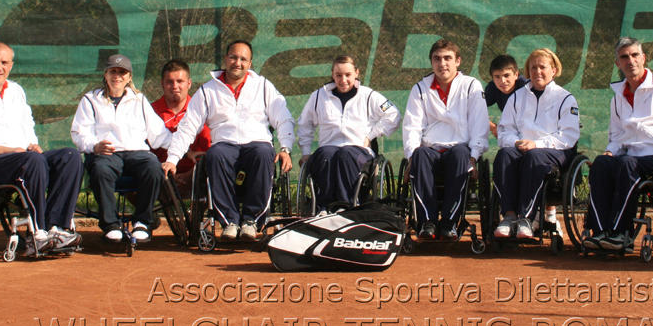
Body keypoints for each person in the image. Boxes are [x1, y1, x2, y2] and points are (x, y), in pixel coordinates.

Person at [0, 42, 81, 254]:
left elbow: (27, 123)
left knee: (70, 156)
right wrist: (3, 149)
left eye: (4, 62)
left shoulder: (16, 90)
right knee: (33, 161)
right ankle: (36, 235)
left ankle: (57, 228)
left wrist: (31, 142)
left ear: (11, 66)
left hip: (22, 157)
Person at [162, 41, 294, 241]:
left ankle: (251, 221)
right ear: (225, 59)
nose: (237, 63)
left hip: (256, 143)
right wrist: (173, 158)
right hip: (225, 145)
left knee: (264, 152)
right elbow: (188, 127)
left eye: (243, 59)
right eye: (233, 57)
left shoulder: (264, 86)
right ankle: (229, 222)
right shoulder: (207, 91)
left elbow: (283, 118)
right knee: (215, 154)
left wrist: (285, 148)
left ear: (250, 63)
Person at [583, 37, 653, 251]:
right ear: (618, 63)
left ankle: (621, 234)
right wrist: (609, 152)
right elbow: (617, 136)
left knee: (627, 164)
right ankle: (600, 232)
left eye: (635, 55)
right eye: (624, 57)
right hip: (630, 157)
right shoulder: (617, 97)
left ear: (643, 58)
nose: (630, 61)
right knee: (600, 163)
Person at [71, 54, 172, 243]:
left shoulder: (139, 100)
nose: (117, 76)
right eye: (113, 71)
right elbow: (79, 133)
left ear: (129, 76)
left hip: (137, 153)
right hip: (106, 154)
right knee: (100, 170)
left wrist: (181, 151)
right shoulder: (90, 100)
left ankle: (142, 222)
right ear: (106, 74)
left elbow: (159, 134)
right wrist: (94, 146)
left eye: (122, 72)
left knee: (153, 168)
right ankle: (111, 225)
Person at [402, 39, 490, 241]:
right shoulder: (420, 89)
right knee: (420, 154)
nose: (442, 63)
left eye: (447, 58)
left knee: (461, 154)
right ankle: (427, 222)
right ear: (431, 63)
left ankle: (450, 221)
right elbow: (412, 126)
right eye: (437, 59)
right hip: (430, 149)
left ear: (457, 61)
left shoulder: (471, 86)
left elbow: (479, 124)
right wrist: (410, 158)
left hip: (459, 148)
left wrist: (474, 157)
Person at [493, 49, 580, 239]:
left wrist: (537, 144)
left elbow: (569, 136)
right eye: (533, 68)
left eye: (542, 67)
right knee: (504, 155)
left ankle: (526, 218)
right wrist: (515, 142)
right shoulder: (516, 97)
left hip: (554, 152)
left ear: (553, 70)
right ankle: (508, 216)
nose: (537, 72)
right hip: (522, 149)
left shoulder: (566, 98)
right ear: (527, 71)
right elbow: (504, 129)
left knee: (534, 156)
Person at [296, 55, 401, 211]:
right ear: (332, 75)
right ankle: (323, 207)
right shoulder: (318, 96)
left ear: (356, 73)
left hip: (358, 150)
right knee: (326, 154)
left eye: (348, 75)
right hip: (328, 149)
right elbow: (305, 124)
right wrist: (305, 152)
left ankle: (348, 204)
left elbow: (393, 114)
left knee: (345, 154)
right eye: (338, 75)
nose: (343, 80)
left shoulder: (369, 95)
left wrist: (371, 135)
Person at [150, 59, 212, 199]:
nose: (174, 86)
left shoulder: (202, 111)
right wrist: (163, 174)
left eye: (180, 81)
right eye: (169, 82)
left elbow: (208, 152)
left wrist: (189, 177)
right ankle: (148, 218)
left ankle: (198, 218)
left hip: (195, 176)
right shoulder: (150, 111)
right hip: (161, 176)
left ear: (189, 83)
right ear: (162, 84)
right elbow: (144, 152)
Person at [484, 55, 528, 138]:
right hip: (511, 133)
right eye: (497, 77)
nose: (503, 81)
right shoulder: (493, 88)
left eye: (507, 75)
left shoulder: (527, 87)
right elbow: (472, 108)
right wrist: (494, 127)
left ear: (516, 75)